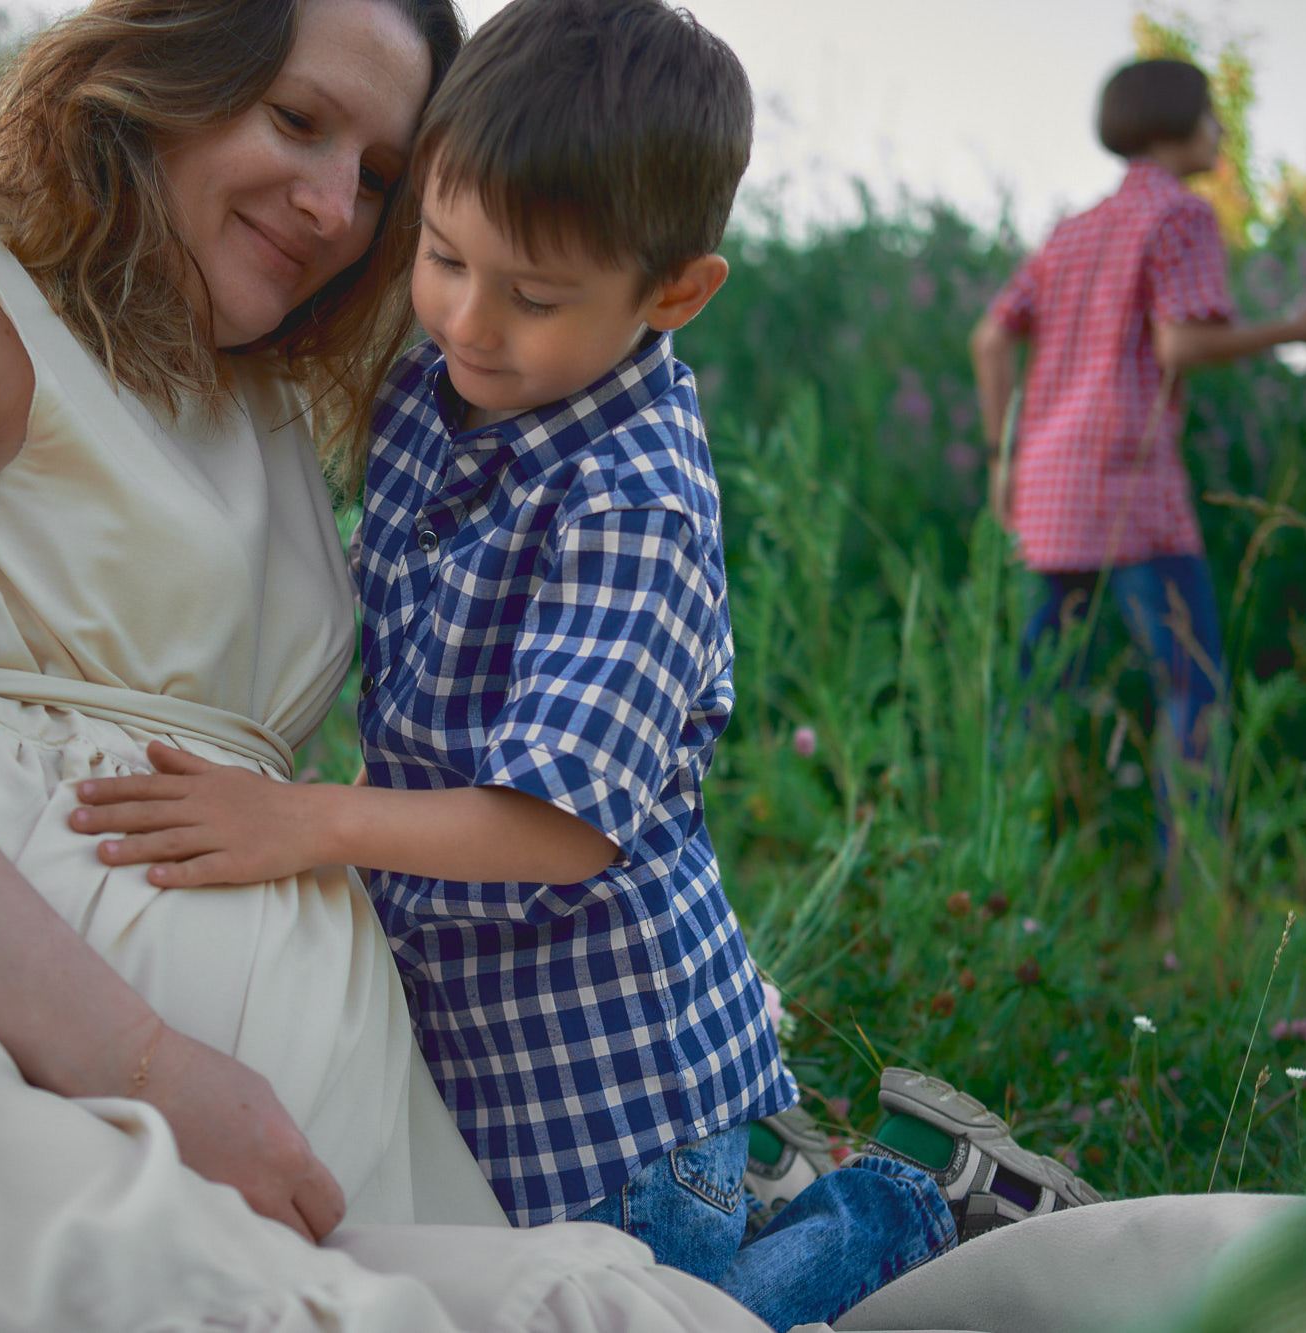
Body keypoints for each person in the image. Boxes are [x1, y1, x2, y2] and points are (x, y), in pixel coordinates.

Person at [0, 2, 773, 1329]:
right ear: (165, 67)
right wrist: (143, 1062)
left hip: (315, 1139)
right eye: (297, 121)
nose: (328, 203)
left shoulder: (277, 397)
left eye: (374, 177)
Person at [71, 3, 1092, 1327]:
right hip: (466, 1022)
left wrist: (299, 821)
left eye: (535, 298)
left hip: (609, 1079)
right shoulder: (449, 378)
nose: (469, 322)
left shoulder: (629, 503)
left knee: (656, 1314)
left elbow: (555, 828)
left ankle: (897, 1210)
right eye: (440, 257)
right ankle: (791, 1199)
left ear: (673, 293)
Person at [969, 58, 1306, 863]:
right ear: (1178, 125)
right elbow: (1183, 341)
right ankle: (1195, 892)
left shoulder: (1075, 229)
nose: (1220, 131)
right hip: (1130, 488)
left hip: (1048, 489)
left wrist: (1001, 457)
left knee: (1038, 692)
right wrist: (1299, 330)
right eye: (1213, 116)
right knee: (1191, 688)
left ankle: (1000, 864)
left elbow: (991, 335)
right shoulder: (1180, 215)